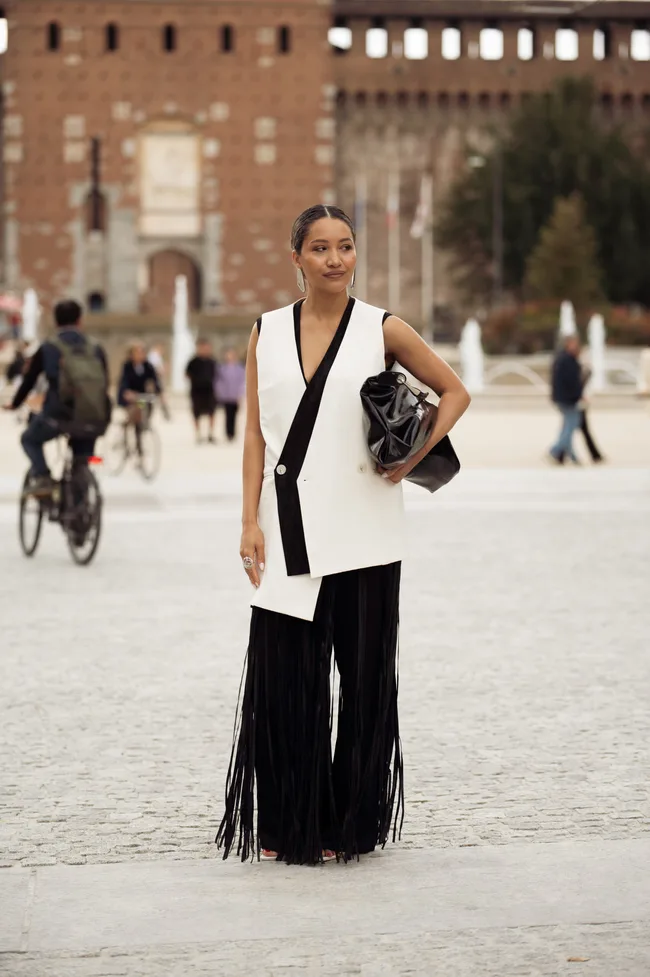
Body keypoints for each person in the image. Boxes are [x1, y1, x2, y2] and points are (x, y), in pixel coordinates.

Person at [215, 205, 470, 865]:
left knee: (363, 683)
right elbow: (254, 434)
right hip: (289, 530)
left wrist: (412, 458)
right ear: (295, 256)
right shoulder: (264, 331)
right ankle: (288, 823)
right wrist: (248, 519)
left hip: (367, 532)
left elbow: (454, 391)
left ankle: (349, 824)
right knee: (284, 682)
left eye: (346, 246)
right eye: (321, 247)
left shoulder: (381, 326)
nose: (335, 259)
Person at [3, 300, 109, 496]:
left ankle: (43, 478)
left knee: (29, 439)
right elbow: (104, 383)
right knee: (83, 459)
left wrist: (15, 404)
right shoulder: (95, 347)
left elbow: (29, 380)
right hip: (94, 418)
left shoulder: (49, 347)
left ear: (56, 321)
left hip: (59, 416)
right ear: (80, 320)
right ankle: (81, 508)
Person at [117, 341, 161, 456]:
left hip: (141, 397)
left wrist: (159, 392)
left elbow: (155, 380)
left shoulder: (147, 366)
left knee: (143, 409)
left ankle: (142, 426)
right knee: (135, 412)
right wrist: (127, 392)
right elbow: (124, 381)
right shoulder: (127, 366)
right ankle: (128, 432)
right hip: (128, 397)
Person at [549, 335, 585, 465]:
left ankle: (573, 456)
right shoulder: (567, 360)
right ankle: (554, 450)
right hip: (568, 399)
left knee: (568, 427)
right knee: (571, 426)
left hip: (564, 398)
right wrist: (579, 395)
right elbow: (572, 382)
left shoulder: (562, 359)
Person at [186, 339, 218, 444]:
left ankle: (210, 433)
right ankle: (198, 434)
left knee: (212, 412)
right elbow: (187, 374)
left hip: (209, 390)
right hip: (196, 391)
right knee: (196, 413)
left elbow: (216, 375)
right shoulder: (193, 362)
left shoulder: (212, 361)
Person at [215, 347, 245, 441]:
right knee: (227, 415)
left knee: (234, 415)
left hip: (235, 396)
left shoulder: (239, 369)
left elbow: (242, 382)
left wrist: (240, 394)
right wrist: (220, 392)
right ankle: (228, 433)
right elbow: (218, 382)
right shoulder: (222, 368)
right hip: (226, 395)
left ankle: (233, 432)